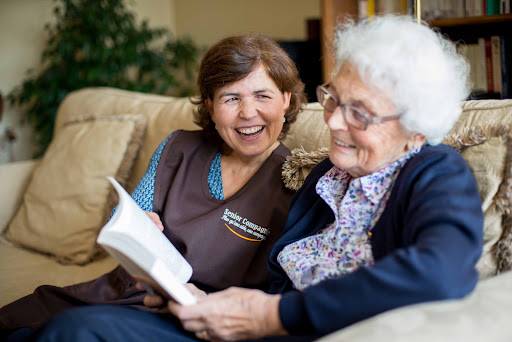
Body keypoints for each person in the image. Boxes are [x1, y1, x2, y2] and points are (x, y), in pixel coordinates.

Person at [22, 15, 484, 342]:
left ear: (416, 126)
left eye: (359, 112)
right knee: (70, 328)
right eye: (333, 100)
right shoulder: (327, 173)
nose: (335, 123)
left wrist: (271, 315)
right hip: (237, 326)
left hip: (287, 330)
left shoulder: (434, 173)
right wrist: (200, 301)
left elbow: (442, 272)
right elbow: (270, 280)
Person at [0, 33, 307, 341]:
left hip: (194, 320)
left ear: (286, 100)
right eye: (231, 98)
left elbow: (285, 295)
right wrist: (132, 224)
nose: (247, 112)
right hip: (127, 292)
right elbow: (129, 216)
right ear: (211, 107)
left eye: (262, 96)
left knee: (68, 332)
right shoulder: (177, 148)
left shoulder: (298, 182)